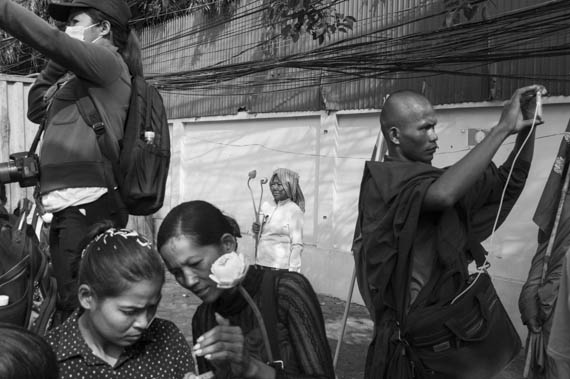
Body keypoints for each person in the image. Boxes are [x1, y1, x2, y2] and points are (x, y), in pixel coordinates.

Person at [356, 85, 545, 378]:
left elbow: (511, 181)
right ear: (394, 136)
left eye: (435, 126)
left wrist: (526, 127)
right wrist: (501, 129)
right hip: (409, 353)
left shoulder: (437, 182)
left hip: (451, 343)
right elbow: (443, 195)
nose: (434, 136)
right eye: (425, 128)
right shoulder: (383, 185)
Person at [0, 0, 139, 319]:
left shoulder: (107, 62)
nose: (67, 28)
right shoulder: (77, 81)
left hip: (89, 204)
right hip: (66, 205)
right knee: (66, 297)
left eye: (75, 21)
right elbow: (36, 106)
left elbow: (52, 39)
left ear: (103, 28)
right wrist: (61, 59)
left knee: (80, 302)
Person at [157, 200, 335, 379]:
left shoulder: (285, 292)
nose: (189, 280)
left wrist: (253, 368)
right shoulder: (203, 319)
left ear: (228, 244)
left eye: (195, 263)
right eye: (176, 272)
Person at [45, 222, 194, 379]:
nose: (144, 323)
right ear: (87, 297)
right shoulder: (47, 360)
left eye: (152, 307)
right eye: (129, 311)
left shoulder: (169, 341)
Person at [252, 168, 305, 272]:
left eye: (279, 184)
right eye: (272, 184)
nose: (274, 188)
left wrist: (293, 273)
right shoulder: (266, 205)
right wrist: (255, 229)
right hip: (260, 264)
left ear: (289, 186)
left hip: (279, 268)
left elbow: (297, 244)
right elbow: (258, 236)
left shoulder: (294, 211)